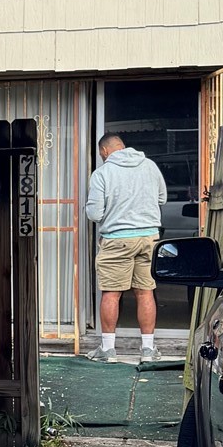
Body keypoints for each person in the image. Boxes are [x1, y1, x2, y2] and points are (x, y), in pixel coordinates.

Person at [84, 133, 167, 362]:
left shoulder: (102, 173)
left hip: (117, 239)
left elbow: (94, 213)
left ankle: (108, 350)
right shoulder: (149, 166)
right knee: (145, 291)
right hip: (149, 237)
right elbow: (162, 198)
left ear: (105, 151)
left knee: (111, 293)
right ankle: (148, 350)